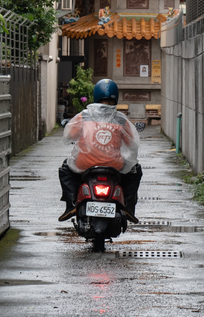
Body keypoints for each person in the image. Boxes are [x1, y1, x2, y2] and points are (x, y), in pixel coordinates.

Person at [58, 79, 143, 222]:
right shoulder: (121, 119)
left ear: (95, 95)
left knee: (65, 169)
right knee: (136, 171)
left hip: (84, 164)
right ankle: (128, 207)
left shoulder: (84, 115)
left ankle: (71, 204)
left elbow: (68, 136)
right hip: (114, 165)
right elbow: (132, 143)